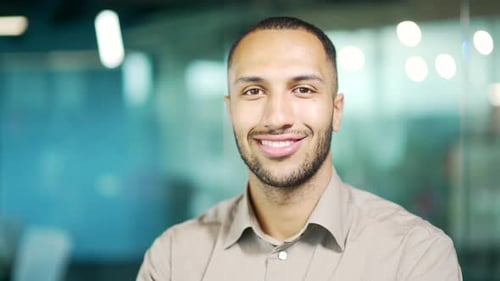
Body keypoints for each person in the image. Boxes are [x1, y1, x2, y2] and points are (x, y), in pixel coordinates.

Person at [137, 16, 462, 281]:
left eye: (303, 89)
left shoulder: (415, 255)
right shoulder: (173, 260)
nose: (277, 117)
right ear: (230, 111)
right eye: (253, 91)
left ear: (336, 110)